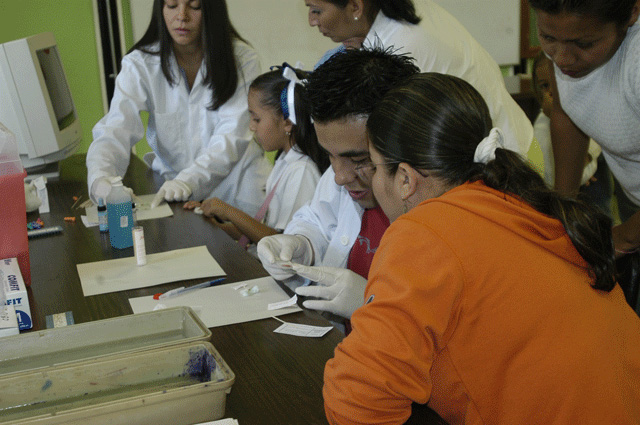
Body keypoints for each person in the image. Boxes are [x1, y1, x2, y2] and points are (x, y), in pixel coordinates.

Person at [323, 72, 640, 425]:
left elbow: (356, 401)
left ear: (405, 180)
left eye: (374, 166)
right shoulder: (522, 202)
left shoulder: (424, 232)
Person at [257, 47, 419, 322]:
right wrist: (303, 244)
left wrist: (374, 306)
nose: (339, 177)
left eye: (358, 158)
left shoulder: (430, 208)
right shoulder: (343, 177)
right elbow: (320, 220)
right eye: (329, 155)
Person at [86, 0, 271, 216]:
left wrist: (188, 181)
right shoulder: (140, 64)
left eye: (194, 6)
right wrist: (101, 181)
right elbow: (115, 130)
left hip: (238, 187)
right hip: (174, 193)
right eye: (172, 5)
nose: (182, 16)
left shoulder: (241, 59)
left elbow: (231, 137)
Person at [305, 0, 535, 158]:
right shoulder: (403, 12)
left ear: (355, 6)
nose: (311, 21)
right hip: (517, 138)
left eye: (316, 10)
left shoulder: (396, 50)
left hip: (505, 159)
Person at [529, 0, 640, 311]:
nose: (563, 57)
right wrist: (562, 210)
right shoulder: (566, 49)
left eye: (584, 43)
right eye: (548, 38)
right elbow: (567, 112)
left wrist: (625, 238)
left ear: (631, 12)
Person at [183, 65, 328, 248]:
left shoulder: (301, 171)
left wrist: (227, 211)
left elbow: (284, 242)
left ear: (287, 123)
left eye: (257, 119)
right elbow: (262, 231)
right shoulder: (284, 161)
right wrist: (218, 225)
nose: (252, 126)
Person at [531, 52, 611, 214]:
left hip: (591, 177)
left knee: (599, 218)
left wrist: (587, 159)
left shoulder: (587, 105)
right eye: (545, 85)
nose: (551, 91)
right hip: (564, 185)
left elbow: (599, 137)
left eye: (557, 82)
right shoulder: (541, 122)